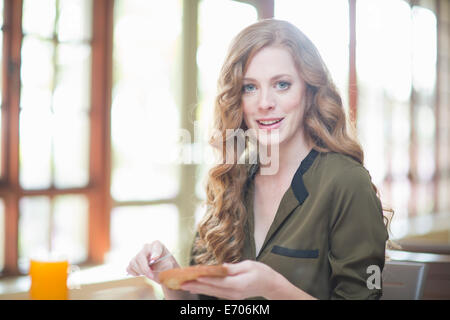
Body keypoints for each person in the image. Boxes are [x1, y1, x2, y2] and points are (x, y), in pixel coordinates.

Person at [126, 19, 389, 300]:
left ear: (309, 92)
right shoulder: (230, 179)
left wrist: (273, 288)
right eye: (249, 87)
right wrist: (171, 275)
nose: (264, 102)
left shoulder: (347, 182)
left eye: (282, 84)